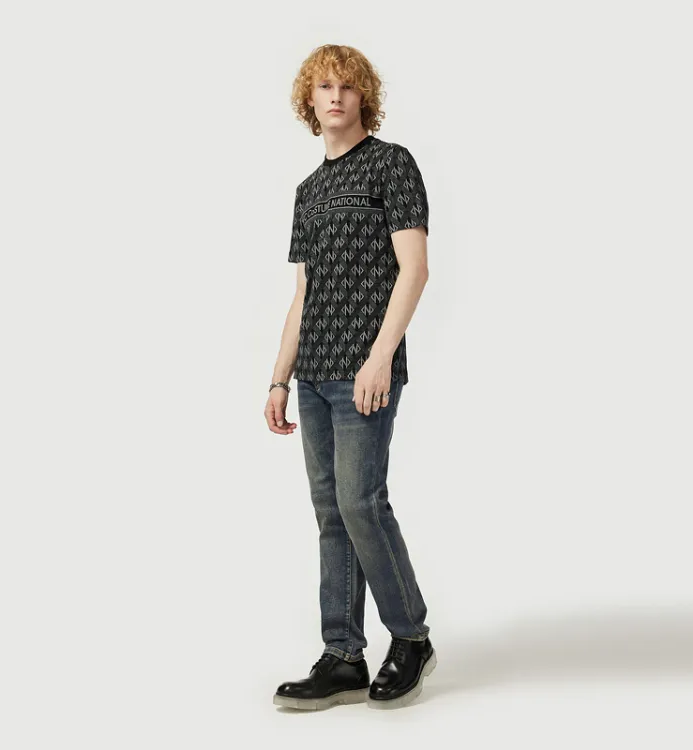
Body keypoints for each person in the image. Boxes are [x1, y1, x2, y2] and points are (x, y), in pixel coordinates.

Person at [264, 44, 436, 711]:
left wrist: (381, 355)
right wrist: (279, 378)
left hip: (366, 370)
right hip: (313, 374)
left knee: (362, 503)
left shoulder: (391, 164)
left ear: (364, 96)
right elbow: (303, 294)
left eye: (347, 86)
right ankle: (342, 654)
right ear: (309, 100)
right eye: (324, 87)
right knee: (331, 512)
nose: (335, 96)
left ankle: (411, 637)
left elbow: (414, 269)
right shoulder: (307, 192)